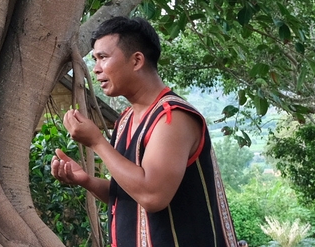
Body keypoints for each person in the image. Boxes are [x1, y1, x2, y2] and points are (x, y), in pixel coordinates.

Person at [51, 16, 238, 247]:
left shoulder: (172, 117)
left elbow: (152, 196)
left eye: (103, 58)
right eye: (95, 59)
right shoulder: (126, 120)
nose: (96, 69)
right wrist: (86, 180)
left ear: (137, 60)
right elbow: (129, 193)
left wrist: (98, 143)